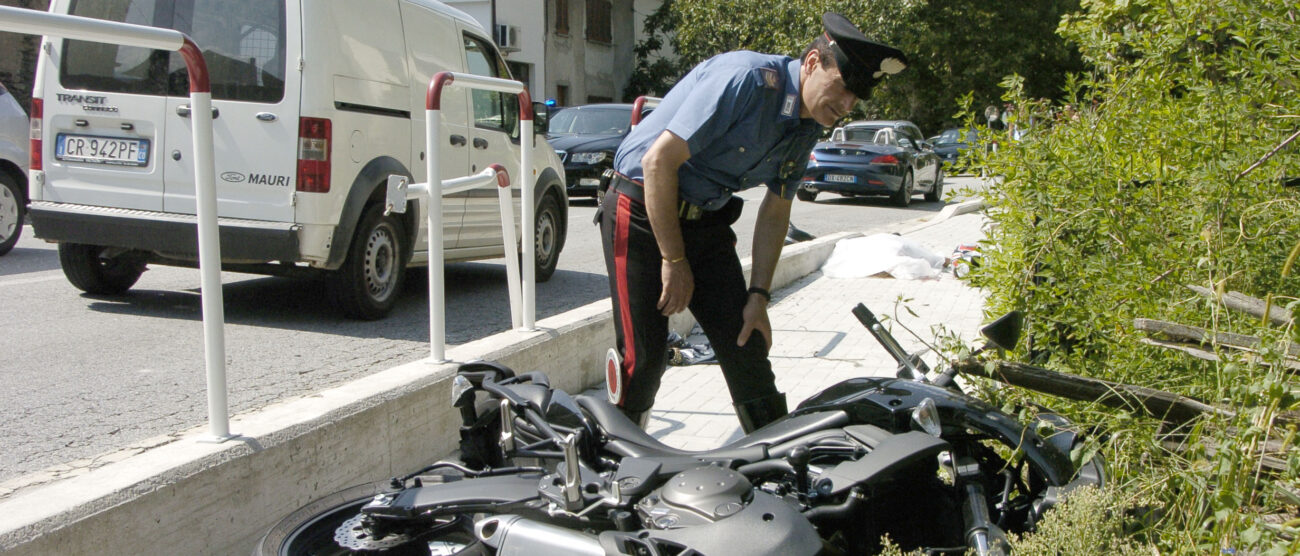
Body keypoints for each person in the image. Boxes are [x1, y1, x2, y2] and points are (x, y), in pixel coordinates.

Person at [598, 12, 908, 432]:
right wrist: (674, 259)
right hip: (640, 210)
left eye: (856, 99)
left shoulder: (808, 124)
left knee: (748, 341)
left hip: (705, 222)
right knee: (645, 357)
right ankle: (617, 471)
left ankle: (778, 468)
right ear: (814, 63)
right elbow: (657, 163)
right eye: (843, 89)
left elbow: (777, 209)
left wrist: (759, 296)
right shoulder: (746, 80)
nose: (847, 106)